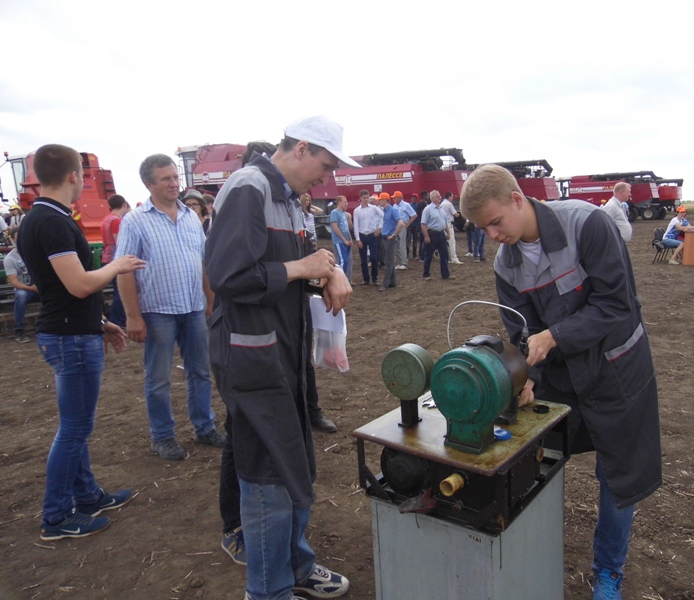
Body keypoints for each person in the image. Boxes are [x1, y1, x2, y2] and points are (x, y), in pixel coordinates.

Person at [460, 164, 661, 600]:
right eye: (482, 228)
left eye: (495, 222)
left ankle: (608, 572)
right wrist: (525, 376)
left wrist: (555, 336)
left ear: (518, 198)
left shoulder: (587, 224)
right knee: (540, 463)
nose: (492, 235)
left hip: (616, 370)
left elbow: (617, 305)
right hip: (562, 375)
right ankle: (535, 553)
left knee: (616, 475)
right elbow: (521, 332)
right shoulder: (505, 264)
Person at [206, 115, 353, 600]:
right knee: (268, 466)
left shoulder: (290, 200)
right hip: (251, 354)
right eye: (325, 166)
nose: (326, 178)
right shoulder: (248, 188)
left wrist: (327, 270)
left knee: (294, 458)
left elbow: (307, 257)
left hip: (284, 351)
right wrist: (302, 268)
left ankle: (296, 565)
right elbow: (229, 276)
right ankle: (268, 590)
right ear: (302, 148)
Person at [17, 143, 145, 541]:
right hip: (68, 337)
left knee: (76, 425)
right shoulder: (52, 222)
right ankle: (55, 516)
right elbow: (77, 284)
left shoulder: (43, 218)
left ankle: (87, 495)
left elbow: (57, 288)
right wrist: (117, 265)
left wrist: (101, 321)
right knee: (74, 428)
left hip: (73, 330)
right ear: (75, 176)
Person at [116, 154, 225, 461]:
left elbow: (203, 261)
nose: (174, 183)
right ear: (149, 183)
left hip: (192, 307)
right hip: (157, 311)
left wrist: (210, 297)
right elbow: (124, 270)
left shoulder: (191, 217)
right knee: (159, 378)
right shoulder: (135, 220)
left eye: (175, 177)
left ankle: (205, 428)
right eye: (165, 179)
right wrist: (133, 316)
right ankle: (162, 436)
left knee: (201, 372)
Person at [4, 227, 40, 342]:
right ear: (13, 240)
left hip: (38, 286)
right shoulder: (10, 259)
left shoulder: (36, 253)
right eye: (17, 238)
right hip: (24, 288)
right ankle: (19, 330)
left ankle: (52, 326)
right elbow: (14, 282)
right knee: (21, 295)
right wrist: (32, 288)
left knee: (54, 291)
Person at [100, 194, 130, 327]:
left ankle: (116, 319)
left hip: (107, 257)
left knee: (117, 291)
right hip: (115, 259)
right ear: (124, 204)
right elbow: (119, 242)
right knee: (121, 292)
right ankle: (117, 320)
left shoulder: (106, 219)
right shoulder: (116, 221)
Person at [420, 190, 454, 281]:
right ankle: (426, 274)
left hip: (441, 233)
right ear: (433, 198)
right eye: (438, 196)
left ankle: (445, 274)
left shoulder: (441, 209)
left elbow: (445, 222)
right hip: (432, 233)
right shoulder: (428, 209)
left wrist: (448, 233)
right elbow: (423, 224)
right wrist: (426, 236)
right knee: (428, 255)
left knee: (444, 254)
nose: (440, 198)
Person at [353, 189, 383, 285]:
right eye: (364, 198)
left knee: (374, 258)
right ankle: (366, 279)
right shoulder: (356, 211)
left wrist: (379, 228)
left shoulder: (373, 208)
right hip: (362, 235)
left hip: (372, 235)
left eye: (367, 197)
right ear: (360, 198)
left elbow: (383, 215)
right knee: (363, 259)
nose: (366, 199)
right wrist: (357, 239)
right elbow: (356, 225)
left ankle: (374, 278)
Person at [377, 192, 404, 291]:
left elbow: (400, 223)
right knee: (390, 260)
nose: (379, 201)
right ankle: (393, 281)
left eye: (380, 199)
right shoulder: (385, 210)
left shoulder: (392, 210)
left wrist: (393, 235)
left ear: (385, 200)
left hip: (389, 238)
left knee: (388, 261)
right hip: (386, 237)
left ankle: (386, 283)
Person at [393, 191, 416, 270]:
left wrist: (407, 223)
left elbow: (414, 215)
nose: (394, 199)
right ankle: (400, 262)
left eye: (395, 197)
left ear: (399, 198)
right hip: (396, 226)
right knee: (396, 244)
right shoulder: (394, 206)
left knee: (401, 244)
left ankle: (404, 263)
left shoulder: (406, 205)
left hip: (402, 225)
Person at [330, 195, 352, 276]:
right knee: (344, 260)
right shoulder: (334, 213)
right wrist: (344, 240)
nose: (347, 204)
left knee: (344, 261)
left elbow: (346, 227)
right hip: (339, 241)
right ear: (339, 202)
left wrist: (350, 239)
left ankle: (342, 278)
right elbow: (335, 228)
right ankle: (340, 278)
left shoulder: (343, 213)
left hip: (346, 240)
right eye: (345, 202)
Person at [441, 191, 462, 264]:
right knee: (452, 242)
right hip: (449, 224)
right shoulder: (449, 204)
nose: (452, 198)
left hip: (443, 224)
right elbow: (455, 214)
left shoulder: (442, 203)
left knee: (445, 242)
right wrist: (459, 214)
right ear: (449, 196)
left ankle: (446, 258)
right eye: (452, 197)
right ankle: (454, 258)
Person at [406, 193, 421, 260]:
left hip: (415, 225)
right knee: (408, 240)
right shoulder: (409, 205)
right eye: (412, 198)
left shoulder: (417, 206)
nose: (413, 199)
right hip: (410, 225)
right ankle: (407, 255)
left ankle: (414, 255)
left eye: (414, 198)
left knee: (415, 241)